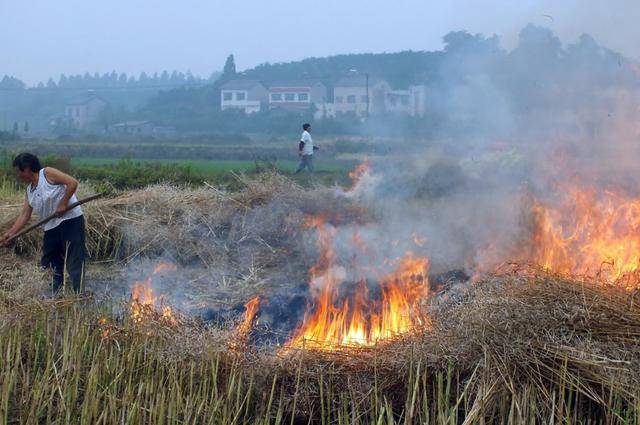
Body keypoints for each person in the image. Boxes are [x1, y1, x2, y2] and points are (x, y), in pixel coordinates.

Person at [2, 153, 86, 293]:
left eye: (19, 171)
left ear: (27, 168)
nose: (17, 175)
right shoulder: (29, 190)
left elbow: (72, 183)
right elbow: (25, 215)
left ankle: (78, 296)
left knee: (74, 261)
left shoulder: (47, 173)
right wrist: (10, 234)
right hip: (50, 227)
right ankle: (54, 296)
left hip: (70, 221)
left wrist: (63, 204)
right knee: (49, 264)